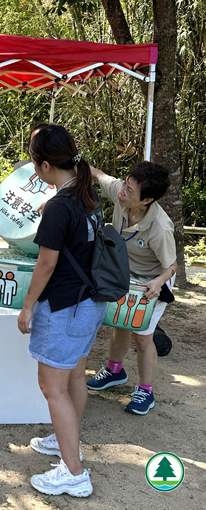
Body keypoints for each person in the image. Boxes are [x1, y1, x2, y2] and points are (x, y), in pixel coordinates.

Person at [17, 124, 105, 498]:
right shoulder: (87, 197)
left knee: (52, 388)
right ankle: (64, 442)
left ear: (46, 166)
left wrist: (27, 305)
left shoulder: (59, 206)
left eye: (34, 162)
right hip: (90, 304)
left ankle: (73, 472)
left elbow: (46, 264)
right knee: (74, 380)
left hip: (64, 309)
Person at [86, 162, 177, 415]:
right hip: (124, 274)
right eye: (124, 185)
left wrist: (157, 283)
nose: (122, 192)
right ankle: (115, 371)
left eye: (130, 191)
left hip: (152, 281)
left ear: (146, 200)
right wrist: (72, 161)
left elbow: (171, 266)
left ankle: (145, 392)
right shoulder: (121, 193)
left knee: (142, 334)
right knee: (120, 323)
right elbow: (98, 173)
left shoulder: (160, 226)